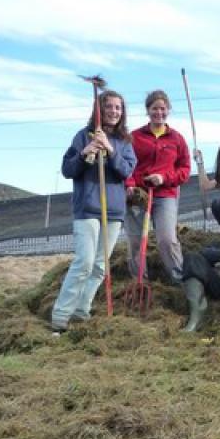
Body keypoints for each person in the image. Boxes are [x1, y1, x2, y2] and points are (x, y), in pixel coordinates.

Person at [51, 89, 138, 333]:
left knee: (100, 266)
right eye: (108, 106)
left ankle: (81, 311)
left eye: (118, 108)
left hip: (113, 211)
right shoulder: (83, 135)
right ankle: (61, 315)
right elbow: (67, 170)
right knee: (84, 262)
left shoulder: (124, 142)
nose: (113, 111)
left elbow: (126, 171)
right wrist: (85, 152)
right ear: (99, 109)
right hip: (88, 208)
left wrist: (110, 149)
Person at [125, 89, 190, 284]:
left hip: (165, 195)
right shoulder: (135, 137)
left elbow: (185, 169)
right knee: (135, 240)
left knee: (167, 240)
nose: (159, 112)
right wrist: (130, 184)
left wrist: (164, 178)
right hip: (137, 195)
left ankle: (179, 279)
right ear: (148, 110)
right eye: (154, 108)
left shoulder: (176, 139)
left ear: (168, 110)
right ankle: (139, 282)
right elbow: (126, 165)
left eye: (163, 108)